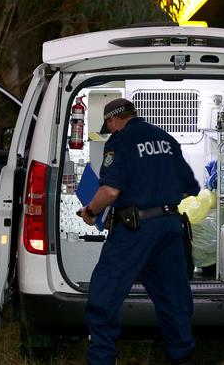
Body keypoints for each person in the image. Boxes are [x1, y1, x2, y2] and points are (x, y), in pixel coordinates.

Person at [80, 98, 199, 365]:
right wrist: (159, 198)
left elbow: (110, 191)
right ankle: (182, 355)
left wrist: (90, 212)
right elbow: (191, 188)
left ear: (113, 120)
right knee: (173, 296)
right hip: (169, 227)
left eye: (109, 126)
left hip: (135, 230)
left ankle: (101, 359)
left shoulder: (120, 141)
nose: (110, 130)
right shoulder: (166, 139)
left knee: (104, 294)